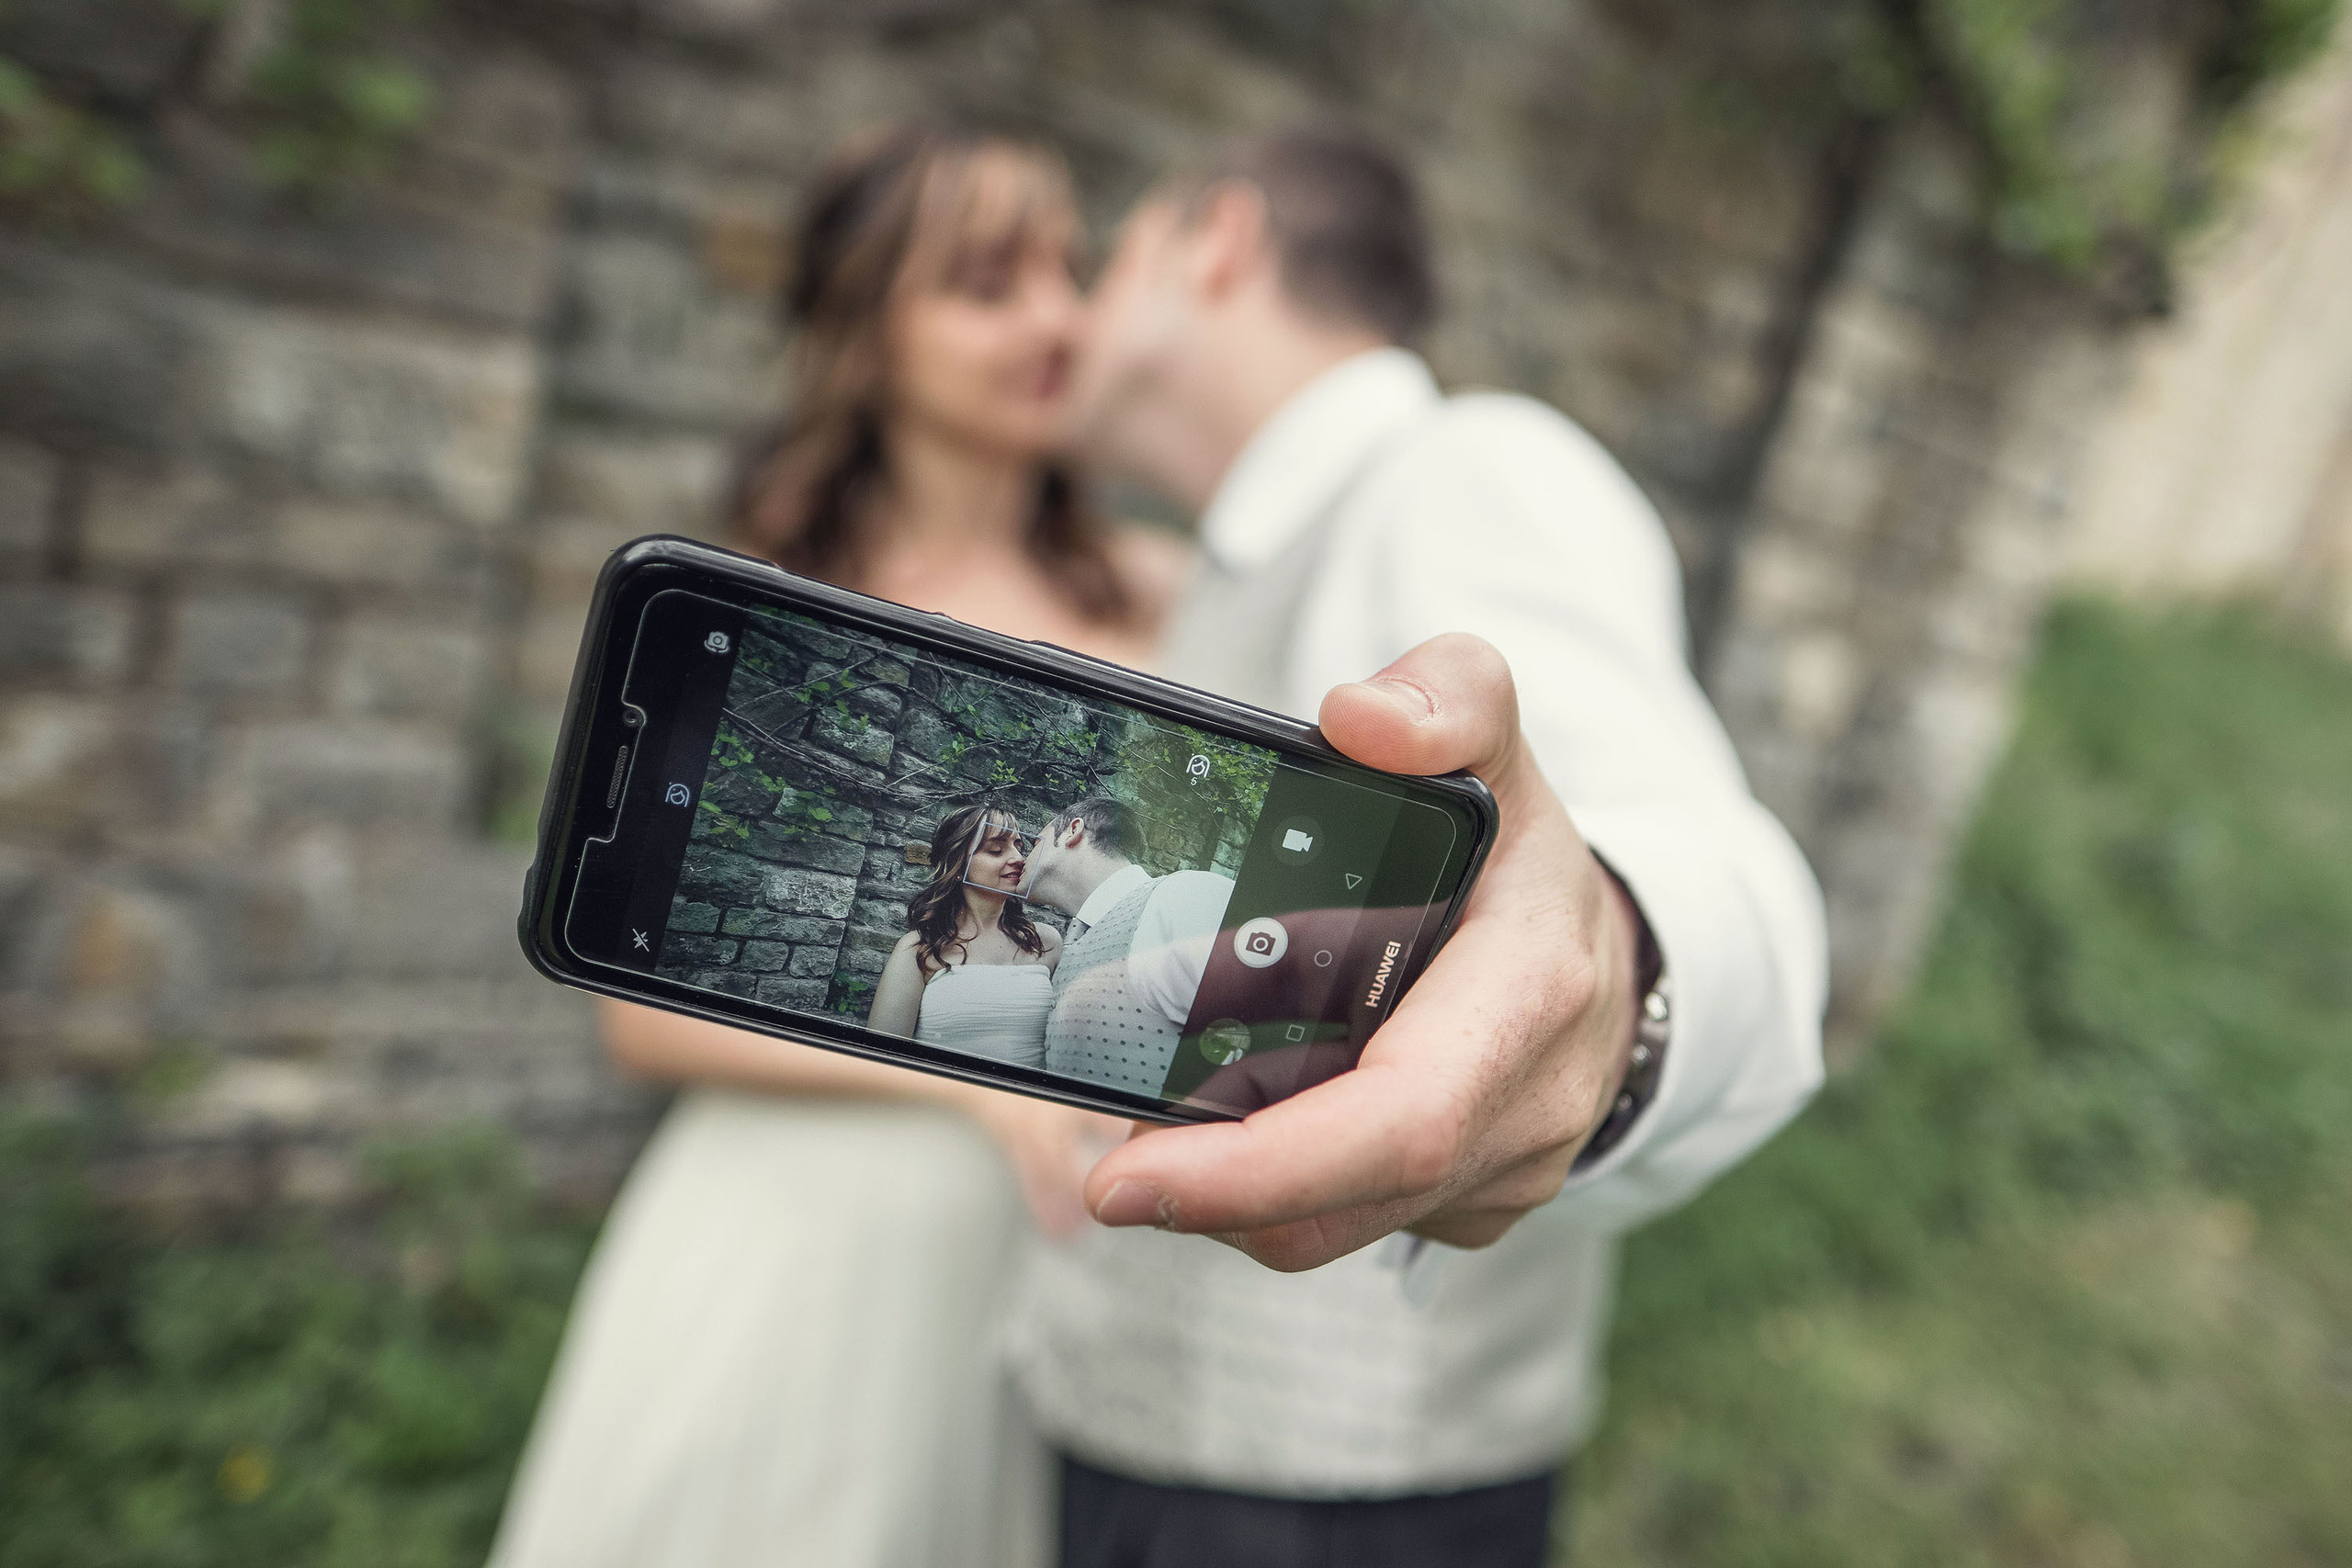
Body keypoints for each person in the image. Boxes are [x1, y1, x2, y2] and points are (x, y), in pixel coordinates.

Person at [1005, 125, 1830, 1566]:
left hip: (1320, 1503)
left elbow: (1714, 869)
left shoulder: (1464, 466)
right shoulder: (1241, 560)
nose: (1067, 313)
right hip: (1153, 1446)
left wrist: (1610, 976)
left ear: (1218, 241)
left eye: (1107, 255)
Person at [491, 122, 1177, 1568]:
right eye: (991, 282)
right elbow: (641, 1019)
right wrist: (975, 1084)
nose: (1057, 314)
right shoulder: (773, 607)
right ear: (867, 332)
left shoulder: (1163, 596)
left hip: (1027, 1259)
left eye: (1068, 268)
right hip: (795, 1228)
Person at [1014, 795, 1232, 1094]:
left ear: (1072, 831)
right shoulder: (1074, 942)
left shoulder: (1183, 895)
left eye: (1035, 843)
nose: (1020, 858)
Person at [868, 804, 1059, 1070]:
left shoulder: (1047, 942)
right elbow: (881, 1061)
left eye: (1018, 845)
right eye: (996, 849)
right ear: (958, 864)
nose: (1018, 858)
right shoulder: (918, 948)